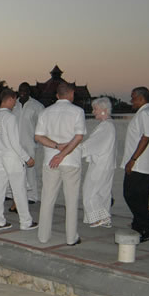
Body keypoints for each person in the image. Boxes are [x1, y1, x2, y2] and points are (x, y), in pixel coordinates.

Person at [34, 82, 86, 246]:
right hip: (71, 161)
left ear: (57, 95)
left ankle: (43, 236)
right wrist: (63, 154)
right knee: (71, 201)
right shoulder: (78, 111)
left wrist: (56, 148)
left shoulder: (45, 112)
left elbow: (38, 137)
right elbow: (78, 137)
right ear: (71, 94)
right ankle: (71, 238)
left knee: (47, 198)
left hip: (50, 160)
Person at [0, 89, 37, 231]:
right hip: (11, 156)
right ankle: (26, 221)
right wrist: (27, 158)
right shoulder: (9, 117)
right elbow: (15, 143)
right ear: (9, 99)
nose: (15, 103)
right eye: (14, 100)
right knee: (19, 189)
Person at [122, 86, 149, 242]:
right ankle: (140, 225)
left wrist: (132, 160)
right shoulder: (148, 113)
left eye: (133, 97)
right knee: (141, 198)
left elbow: (146, 138)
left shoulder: (145, 113)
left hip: (140, 164)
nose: (131, 100)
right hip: (146, 163)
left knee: (130, 195)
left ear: (140, 98)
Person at [8, 82, 45, 212]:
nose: (23, 92)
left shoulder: (37, 106)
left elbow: (43, 125)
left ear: (29, 91)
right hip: (14, 143)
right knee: (13, 169)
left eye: (25, 90)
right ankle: (11, 194)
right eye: (20, 90)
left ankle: (32, 196)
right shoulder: (13, 104)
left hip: (30, 143)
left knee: (30, 170)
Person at [81, 97, 117, 228]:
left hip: (100, 164)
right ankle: (105, 218)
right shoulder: (109, 125)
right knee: (103, 191)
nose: (93, 111)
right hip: (106, 164)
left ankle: (98, 217)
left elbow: (92, 144)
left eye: (95, 109)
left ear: (104, 110)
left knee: (90, 191)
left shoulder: (106, 126)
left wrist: (75, 150)